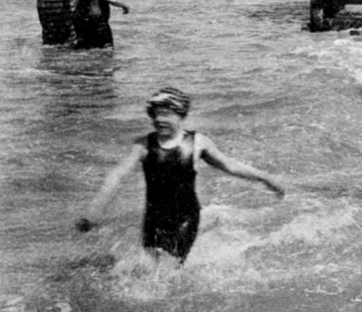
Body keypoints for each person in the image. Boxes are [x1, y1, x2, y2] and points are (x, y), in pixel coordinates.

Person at [77, 88, 285, 264]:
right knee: (152, 268)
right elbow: (118, 176)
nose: (160, 119)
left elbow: (228, 165)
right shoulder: (143, 145)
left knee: (170, 268)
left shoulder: (198, 142)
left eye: (167, 114)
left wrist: (265, 178)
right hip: (153, 218)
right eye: (156, 114)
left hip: (186, 217)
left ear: (180, 115)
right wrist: (95, 211)